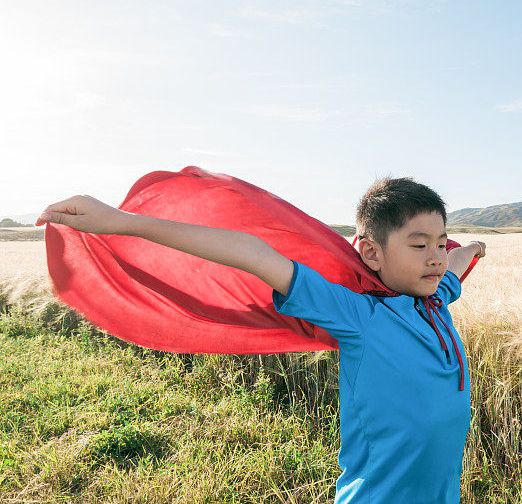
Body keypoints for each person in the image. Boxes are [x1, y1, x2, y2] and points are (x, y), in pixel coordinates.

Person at [35, 175, 486, 503]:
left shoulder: (437, 298)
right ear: (370, 251)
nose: (435, 258)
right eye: (419, 244)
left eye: (440, 243)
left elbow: (459, 262)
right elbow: (254, 254)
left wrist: (473, 250)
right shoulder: (358, 316)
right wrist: (122, 223)